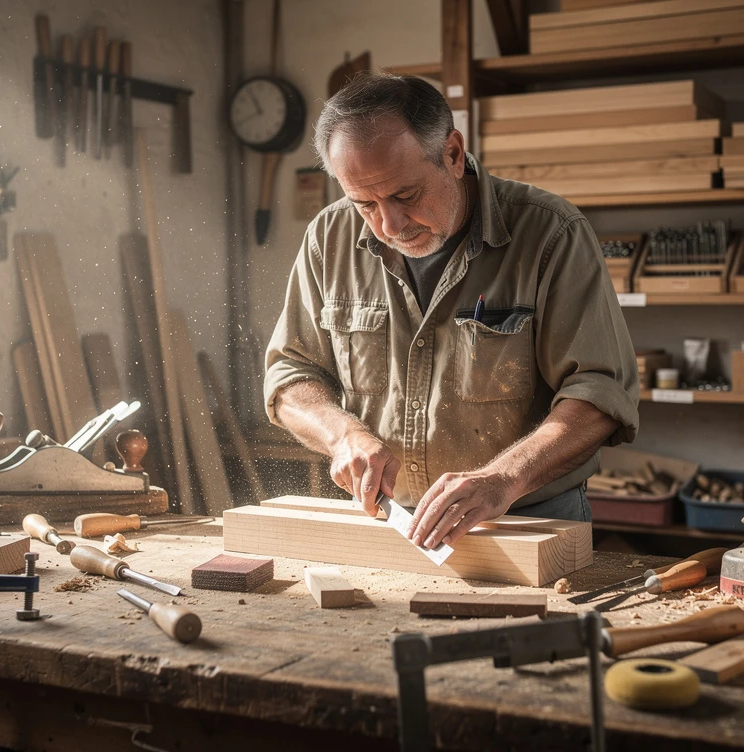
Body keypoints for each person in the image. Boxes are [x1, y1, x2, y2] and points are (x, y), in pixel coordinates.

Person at [264, 74, 639, 550]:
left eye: (406, 196)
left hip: (523, 519)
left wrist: (502, 478)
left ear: (453, 154)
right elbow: (290, 374)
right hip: (389, 520)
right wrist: (341, 435)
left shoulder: (551, 233)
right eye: (364, 204)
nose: (390, 225)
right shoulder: (327, 238)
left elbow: (601, 391)